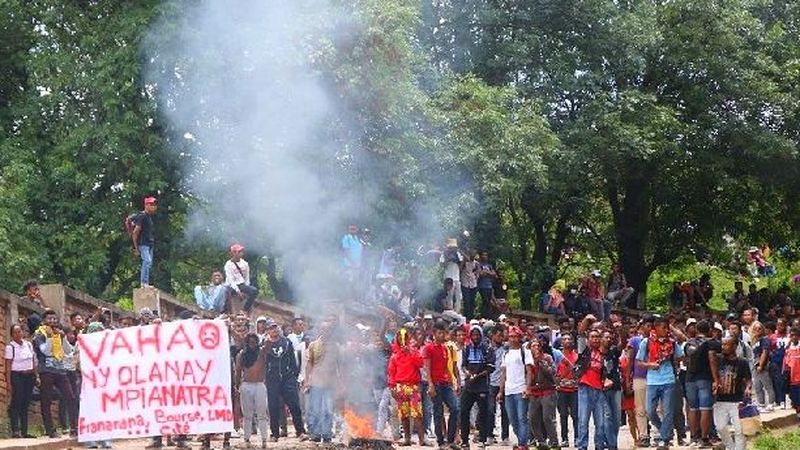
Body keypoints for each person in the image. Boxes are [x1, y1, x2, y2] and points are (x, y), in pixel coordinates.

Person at [636, 316, 683, 450]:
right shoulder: (646, 342)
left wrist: (672, 359)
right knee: (650, 411)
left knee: (667, 410)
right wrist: (650, 364)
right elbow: (639, 361)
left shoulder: (672, 342)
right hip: (652, 380)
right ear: (655, 328)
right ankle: (665, 430)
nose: (665, 330)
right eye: (663, 327)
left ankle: (664, 439)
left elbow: (680, 355)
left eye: (667, 327)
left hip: (668, 379)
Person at [32, 309, 78, 439]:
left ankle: (74, 427)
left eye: (54, 319)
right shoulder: (39, 334)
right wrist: (51, 337)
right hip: (46, 370)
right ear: (44, 321)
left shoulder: (59, 334)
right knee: (46, 400)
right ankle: (50, 430)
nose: (52, 321)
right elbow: (45, 351)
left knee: (71, 397)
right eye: (49, 319)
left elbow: (69, 351)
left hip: (60, 370)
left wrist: (63, 338)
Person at [264, 320, 306, 441]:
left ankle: (300, 431)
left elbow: (293, 360)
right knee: (273, 407)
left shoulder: (286, 342)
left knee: (294, 405)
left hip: (287, 378)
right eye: (271, 328)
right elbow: (263, 361)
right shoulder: (265, 344)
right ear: (267, 331)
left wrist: (294, 375)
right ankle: (275, 434)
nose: (274, 330)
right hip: (272, 380)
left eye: (275, 327)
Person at [423, 321, 460, 449]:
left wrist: (452, 380)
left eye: (443, 332)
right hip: (436, 384)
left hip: (445, 383)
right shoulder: (428, 348)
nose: (442, 335)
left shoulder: (445, 348)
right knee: (438, 412)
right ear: (434, 334)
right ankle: (441, 441)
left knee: (455, 408)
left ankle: (450, 440)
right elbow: (427, 368)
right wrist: (430, 384)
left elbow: (446, 367)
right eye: (439, 333)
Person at [711, 336, 751, 450]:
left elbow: (748, 378)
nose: (723, 347)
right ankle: (730, 446)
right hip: (720, 400)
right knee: (720, 427)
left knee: (739, 430)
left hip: (737, 401)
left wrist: (748, 388)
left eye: (726, 344)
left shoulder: (742, 362)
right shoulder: (717, 360)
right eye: (722, 344)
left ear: (734, 346)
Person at [388, 328, 426, 446]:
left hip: (413, 387)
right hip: (400, 387)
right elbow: (391, 373)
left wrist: (410, 352)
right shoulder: (394, 356)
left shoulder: (414, 351)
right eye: (400, 338)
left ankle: (422, 440)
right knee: (404, 415)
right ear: (397, 339)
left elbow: (420, 364)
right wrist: (392, 387)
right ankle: (407, 439)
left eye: (404, 337)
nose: (402, 340)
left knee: (417, 414)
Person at [304, 318, 340, 443]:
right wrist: (307, 381)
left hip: (330, 383)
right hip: (316, 382)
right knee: (315, 410)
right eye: (324, 329)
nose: (326, 331)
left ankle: (326, 434)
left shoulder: (335, 347)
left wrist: (340, 383)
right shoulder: (313, 345)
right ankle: (315, 434)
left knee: (328, 410)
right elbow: (309, 364)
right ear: (320, 330)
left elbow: (339, 366)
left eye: (329, 329)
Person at [684, 320, 718, 448]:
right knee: (705, 409)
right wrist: (716, 379)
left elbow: (688, 355)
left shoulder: (689, 343)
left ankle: (694, 437)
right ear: (709, 329)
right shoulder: (711, 344)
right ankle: (704, 438)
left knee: (693, 408)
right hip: (705, 378)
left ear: (697, 330)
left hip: (690, 379)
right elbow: (713, 360)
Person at [460, 325, 494, 449]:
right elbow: (464, 365)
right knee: (463, 411)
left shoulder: (487, 348)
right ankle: (464, 440)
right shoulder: (466, 348)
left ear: (481, 335)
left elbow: (490, 368)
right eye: (473, 335)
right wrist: (468, 373)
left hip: (482, 385)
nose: (475, 337)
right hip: (469, 385)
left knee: (484, 412)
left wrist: (478, 375)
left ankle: (483, 439)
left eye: (478, 335)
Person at [234, 333, 269, 449]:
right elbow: (238, 371)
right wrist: (236, 385)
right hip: (246, 385)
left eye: (254, 341)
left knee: (262, 414)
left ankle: (264, 439)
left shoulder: (262, 352)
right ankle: (247, 438)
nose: (252, 344)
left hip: (259, 384)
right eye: (250, 342)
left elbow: (269, 345)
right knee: (247, 415)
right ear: (247, 343)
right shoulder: (242, 355)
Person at [575, 329, 608, 450]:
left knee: (600, 423)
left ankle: (599, 446)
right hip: (585, 388)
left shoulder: (603, 354)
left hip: (599, 390)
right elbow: (581, 333)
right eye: (593, 337)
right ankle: (582, 447)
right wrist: (588, 319)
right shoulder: (584, 351)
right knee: (583, 421)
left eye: (598, 337)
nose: (596, 339)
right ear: (588, 339)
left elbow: (607, 371)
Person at [5, 323, 37, 438]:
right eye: (15, 332)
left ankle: (25, 431)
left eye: (19, 331)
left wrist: (35, 374)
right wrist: (8, 383)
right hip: (17, 376)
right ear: (11, 335)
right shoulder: (10, 347)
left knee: (26, 403)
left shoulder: (28, 345)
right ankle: (15, 431)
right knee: (16, 402)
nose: (18, 334)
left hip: (29, 376)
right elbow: (8, 366)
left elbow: (33, 360)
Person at [527, 339, 558, 449]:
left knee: (547, 418)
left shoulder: (547, 358)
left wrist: (542, 363)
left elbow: (552, 372)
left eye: (537, 345)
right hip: (534, 392)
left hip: (547, 391)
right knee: (532, 418)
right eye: (533, 345)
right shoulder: (528, 360)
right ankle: (540, 441)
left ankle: (554, 441)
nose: (535, 347)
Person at [555, 334, 578, 447]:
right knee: (563, 415)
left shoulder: (577, 356)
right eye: (564, 339)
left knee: (575, 414)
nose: (567, 341)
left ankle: (577, 437)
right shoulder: (557, 356)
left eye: (569, 339)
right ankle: (564, 438)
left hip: (574, 390)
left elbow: (579, 372)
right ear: (561, 342)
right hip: (561, 390)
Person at [749, 321, 776, 412]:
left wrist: (761, 365)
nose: (757, 330)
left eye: (759, 328)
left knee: (767, 385)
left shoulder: (765, 339)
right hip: (754, 365)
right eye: (755, 328)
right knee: (757, 386)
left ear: (763, 329)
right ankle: (761, 403)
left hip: (762, 365)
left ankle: (771, 403)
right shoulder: (754, 340)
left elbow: (765, 352)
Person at [224, 244, 259, 313]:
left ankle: (245, 310)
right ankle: (225, 311)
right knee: (226, 292)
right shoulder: (228, 265)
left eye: (241, 251)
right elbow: (231, 280)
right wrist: (238, 291)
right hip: (231, 286)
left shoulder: (245, 264)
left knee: (253, 291)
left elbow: (246, 277)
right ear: (234, 253)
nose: (241, 253)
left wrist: (246, 288)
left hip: (241, 284)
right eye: (239, 252)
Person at [132, 196, 157, 288]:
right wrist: (136, 247)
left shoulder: (149, 218)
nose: (153, 206)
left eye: (154, 205)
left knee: (149, 263)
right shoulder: (142, 216)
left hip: (149, 244)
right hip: (143, 244)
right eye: (151, 204)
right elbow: (135, 232)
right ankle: (143, 283)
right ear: (146, 205)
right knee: (147, 261)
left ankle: (146, 282)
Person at [440, 239, 465, 312]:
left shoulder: (458, 254)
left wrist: (459, 268)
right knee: (449, 296)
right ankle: (449, 311)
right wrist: (448, 258)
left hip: (457, 277)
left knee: (458, 296)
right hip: (448, 277)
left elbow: (462, 262)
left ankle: (457, 311)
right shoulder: (444, 254)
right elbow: (442, 264)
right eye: (451, 247)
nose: (452, 249)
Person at [461, 251, 479, 319]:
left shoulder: (476, 263)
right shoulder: (464, 262)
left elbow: (478, 271)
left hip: (473, 284)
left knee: (472, 301)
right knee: (466, 301)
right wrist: (463, 261)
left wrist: (476, 276)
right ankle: (466, 316)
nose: (473, 255)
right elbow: (460, 269)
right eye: (471, 254)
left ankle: (471, 316)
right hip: (465, 283)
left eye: (474, 254)